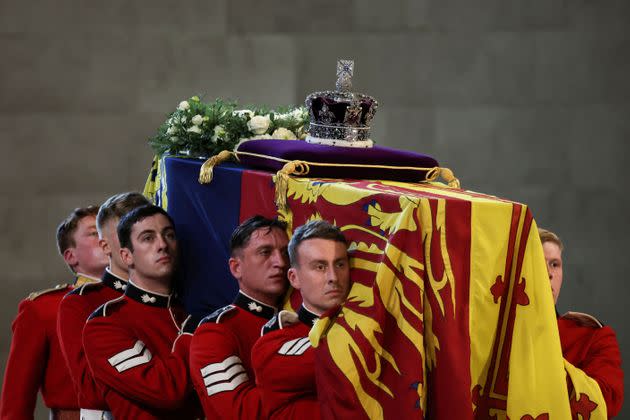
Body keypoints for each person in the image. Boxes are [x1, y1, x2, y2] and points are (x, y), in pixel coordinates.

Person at [82, 205, 200, 419]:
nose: (163, 245)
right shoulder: (106, 324)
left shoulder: (186, 311)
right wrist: (190, 337)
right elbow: (165, 390)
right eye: (148, 238)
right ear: (126, 256)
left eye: (169, 235)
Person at [0, 206, 108, 420]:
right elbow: (16, 401)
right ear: (71, 256)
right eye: (95, 232)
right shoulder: (43, 308)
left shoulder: (145, 300)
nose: (107, 239)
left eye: (110, 230)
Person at [57, 192, 149, 419]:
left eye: (145, 235)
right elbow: (92, 392)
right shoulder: (82, 303)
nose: (136, 243)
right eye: (125, 234)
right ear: (105, 246)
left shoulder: (177, 299)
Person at [189, 215, 290, 419]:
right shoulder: (215, 331)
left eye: (285, 253)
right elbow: (239, 412)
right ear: (236, 267)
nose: (280, 262)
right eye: (265, 252)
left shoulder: (294, 319)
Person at [252, 220, 352, 419]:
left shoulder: (358, 327)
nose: (333, 277)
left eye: (340, 264)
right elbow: (339, 358)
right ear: (294, 278)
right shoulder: (271, 346)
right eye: (320, 266)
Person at [539, 228, 624, 417]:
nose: (549, 273)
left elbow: (605, 401)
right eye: (537, 262)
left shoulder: (593, 336)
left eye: (555, 264)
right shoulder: (494, 333)